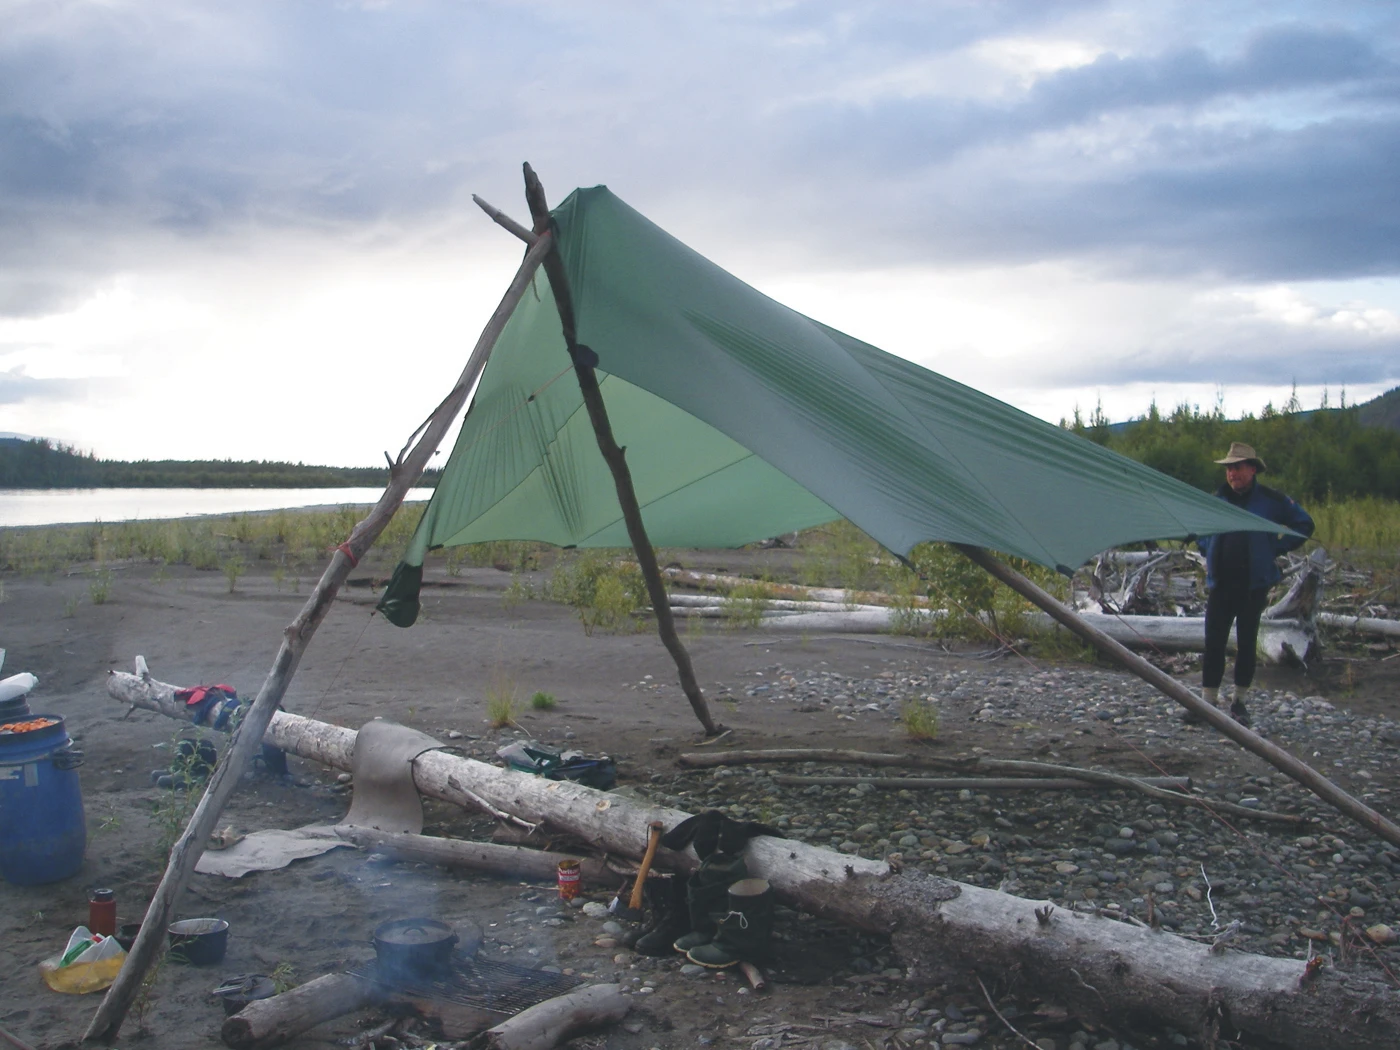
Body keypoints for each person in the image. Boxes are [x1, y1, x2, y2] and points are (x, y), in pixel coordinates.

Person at [1194, 442, 1314, 727]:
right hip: (1221, 584)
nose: (1232, 473)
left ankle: (1239, 702)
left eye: (1237, 467)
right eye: (1228, 469)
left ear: (1252, 469)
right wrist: (1207, 547)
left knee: (1246, 644)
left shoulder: (1271, 501)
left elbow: (1304, 524)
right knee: (1213, 644)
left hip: (1253, 585)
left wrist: (1275, 548)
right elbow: (1200, 531)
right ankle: (1207, 703)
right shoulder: (1216, 500)